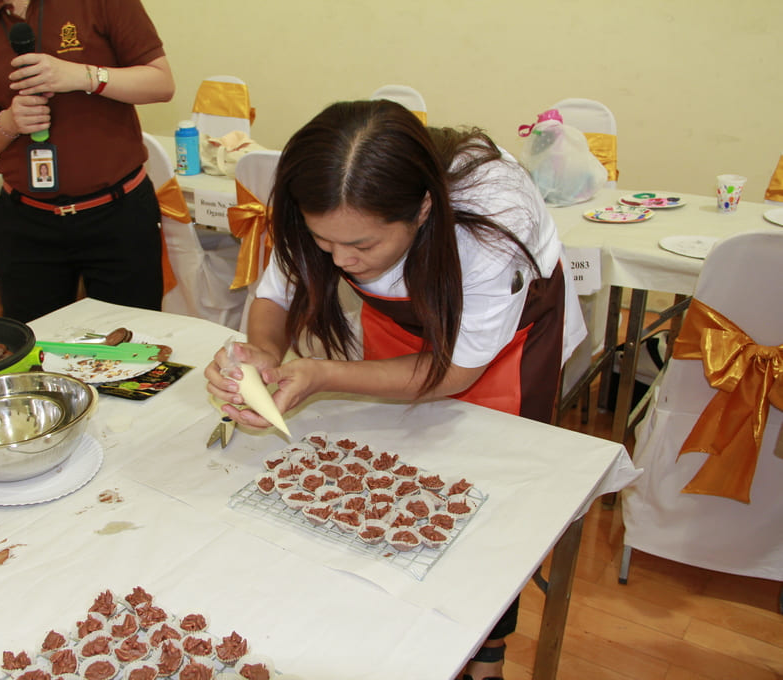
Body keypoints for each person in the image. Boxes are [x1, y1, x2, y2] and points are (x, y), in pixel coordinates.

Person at [205, 100, 586, 680]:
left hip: (502, 348)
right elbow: (275, 294)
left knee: (482, 505)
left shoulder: (492, 220)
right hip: (405, 334)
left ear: (424, 208)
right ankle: (397, 633)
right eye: (324, 242)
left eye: (361, 246)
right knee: (395, 479)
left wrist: (324, 373)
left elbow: (455, 372)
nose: (341, 260)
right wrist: (264, 352)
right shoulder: (327, 200)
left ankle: (487, 651)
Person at [0, 0, 175, 323]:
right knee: (36, 354)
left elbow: (161, 84)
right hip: (27, 224)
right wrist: (10, 122)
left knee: (133, 350)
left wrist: (83, 76)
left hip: (118, 216)